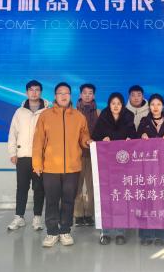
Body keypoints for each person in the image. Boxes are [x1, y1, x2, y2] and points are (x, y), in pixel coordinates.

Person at [32, 82, 92, 248]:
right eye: (60, 93)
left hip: (72, 167)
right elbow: (38, 141)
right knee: (51, 200)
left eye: (67, 93)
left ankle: (65, 230)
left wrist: (87, 141)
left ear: (71, 96)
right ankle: (52, 232)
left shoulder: (79, 116)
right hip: (50, 167)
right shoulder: (45, 116)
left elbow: (84, 136)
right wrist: (37, 163)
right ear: (55, 96)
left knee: (68, 200)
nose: (64, 96)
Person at [92, 92, 137, 246]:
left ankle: (120, 232)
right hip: (106, 163)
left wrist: (131, 139)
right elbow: (95, 136)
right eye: (113, 103)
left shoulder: (128, 116)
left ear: (122, 105)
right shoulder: (103, 116)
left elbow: (134, 136)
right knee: (106, 197)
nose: (116, 106)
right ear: (109, 105)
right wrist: (102, 139)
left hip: (124, 164)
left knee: (121, 197)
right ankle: (105, 232)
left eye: (118, 103)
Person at [7, 80, 49, 231]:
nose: (34, 92)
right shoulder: (19, 112)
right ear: (26, 92)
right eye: (31, 90)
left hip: (40, 157)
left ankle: (37, 218)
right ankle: (19, 217)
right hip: (23, 155)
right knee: (22, 187)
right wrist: (13, 153)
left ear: (41, 92)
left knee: (39, 188)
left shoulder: (47, 112)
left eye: (37, 90)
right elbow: (13, 133)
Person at [137, 93, 164, 246]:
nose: (155, 107)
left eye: (158, 104)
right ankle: (146, 235)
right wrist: (141, 135)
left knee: (163, 200)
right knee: (147, 199)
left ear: (163, 106)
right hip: (147, 167)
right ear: (149, 106)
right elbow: (134, 139)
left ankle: (162, 235)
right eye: (152, 104)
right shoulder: (144, 121)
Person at [74, 83, 100, 227]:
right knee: (77, 186)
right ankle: (78, 215)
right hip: (76, 155)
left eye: (90, 93)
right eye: (85, 93)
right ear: (80, 95)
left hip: (93, 155)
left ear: (94, 95)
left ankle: (90, 214)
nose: (87, 95)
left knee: (92, 186)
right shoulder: (73, 112)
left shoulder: (99, 113)